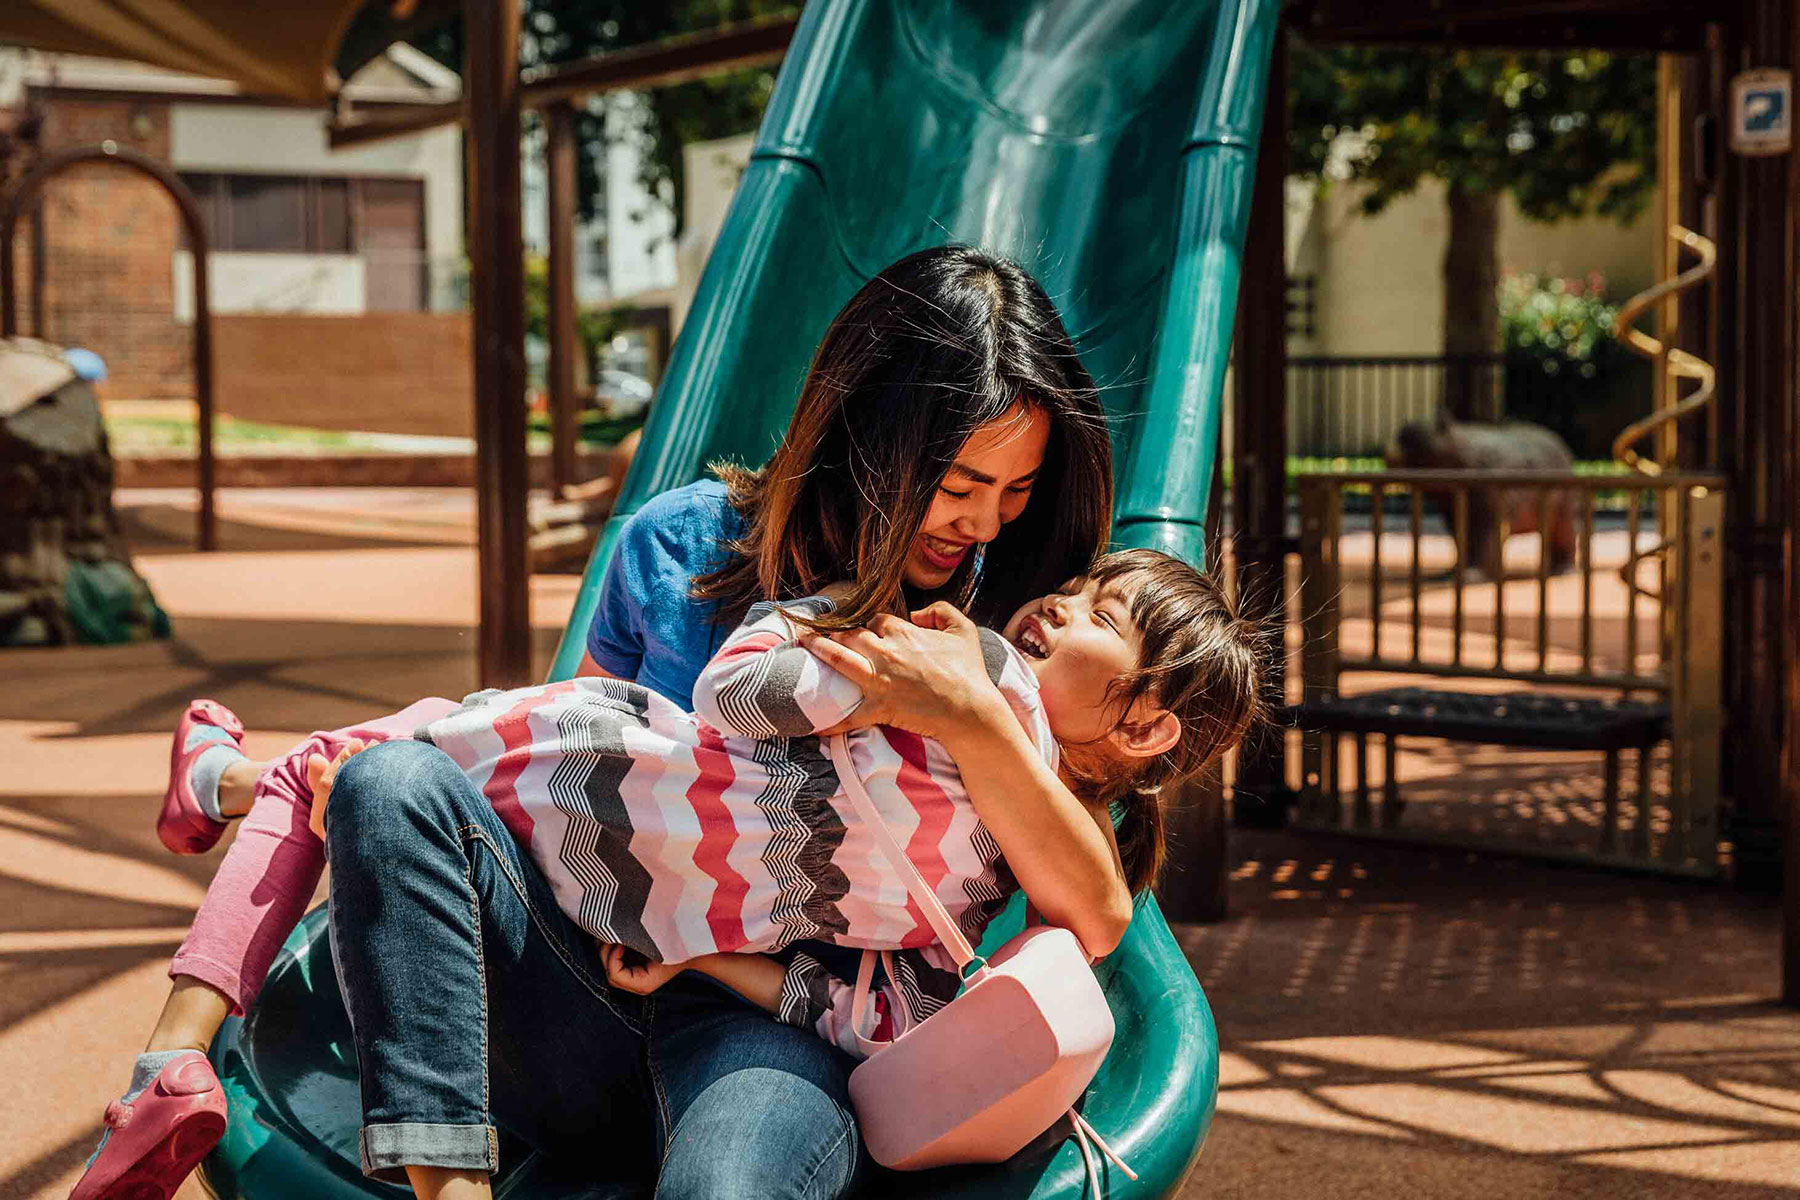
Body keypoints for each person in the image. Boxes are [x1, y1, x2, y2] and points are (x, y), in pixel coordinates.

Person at [73, 246, 1122, 1200]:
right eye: (961, 484)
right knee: (391, 782)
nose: (985, 522)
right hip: (580, 990)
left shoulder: (1006, 624)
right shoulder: (675, 545)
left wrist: (971, 713)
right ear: (870, 435)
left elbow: (1094, 908)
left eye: (1016, 489)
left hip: (775, 1035)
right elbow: (563, 773)